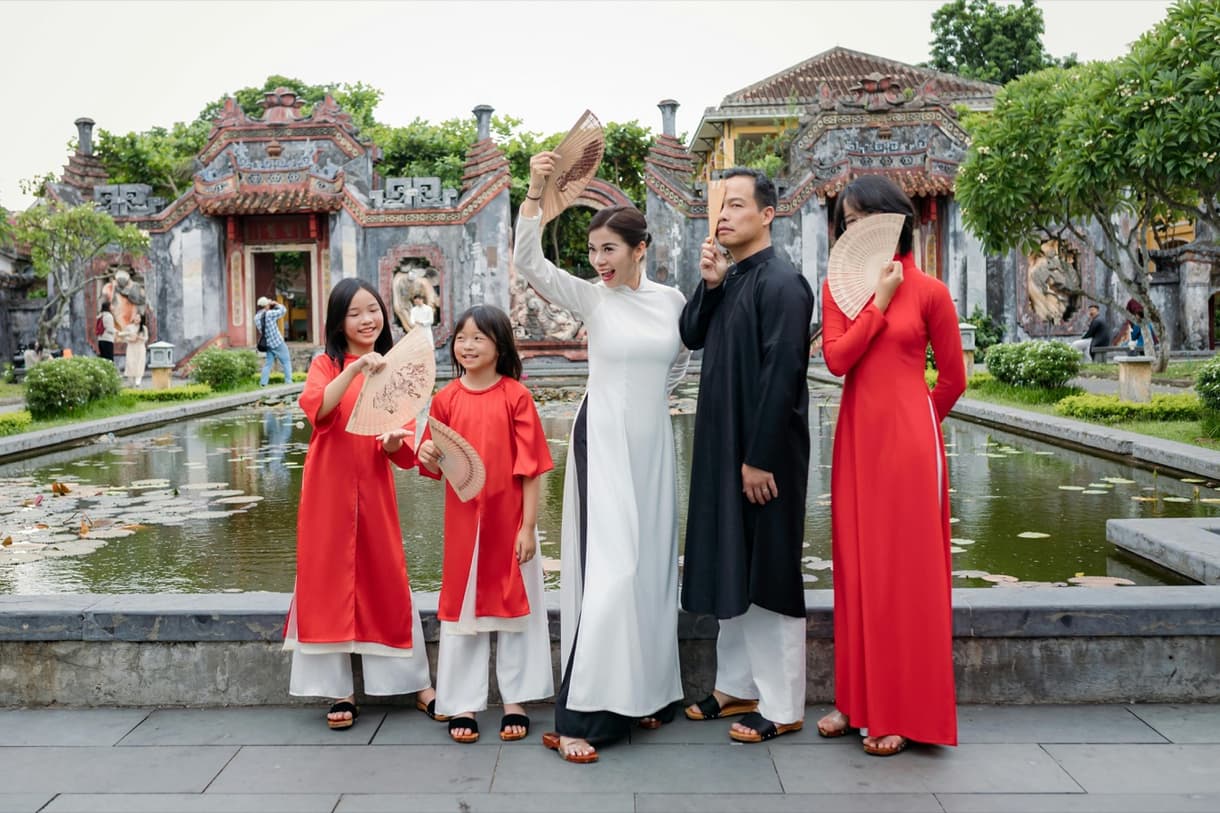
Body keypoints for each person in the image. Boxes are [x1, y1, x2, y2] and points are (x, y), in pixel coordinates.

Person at [517, 151, 690, 763]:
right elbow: (526, 262)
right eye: (592, 252)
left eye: (609, 249)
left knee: (649, 569)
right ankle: (582, 718)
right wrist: (537, 191)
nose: (598, 262)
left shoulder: (673, 302)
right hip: (606, 439)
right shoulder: (594, 299)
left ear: (639, 248)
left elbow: (683, 365)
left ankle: (645, 696)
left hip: (652, 445)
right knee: (612, 573)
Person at [819, 174, 966, 757]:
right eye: (846, 224)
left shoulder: (930, 291)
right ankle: (857, 703)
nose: (854, 231)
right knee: (857, 571)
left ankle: (902, 711)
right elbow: (836, 360)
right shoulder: (839, 292)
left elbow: (953, 378)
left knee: (905, 575)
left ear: (893, 220)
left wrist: (919, 421)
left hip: (908, 445)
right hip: (856, 438)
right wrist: (876, 305)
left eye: (863, 220)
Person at [679, 167, 814, 744]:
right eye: (720, 207)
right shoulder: (731, 279)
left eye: (737, 205)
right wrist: (709, 284)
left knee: (769, 572)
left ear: (768, 214)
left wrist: (760, 458)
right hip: (725, 449)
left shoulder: (783, 282)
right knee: (732, 565)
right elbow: (690, 335)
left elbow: (783, 376)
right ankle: (737, 685)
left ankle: (783, 705)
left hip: (764, 456)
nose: (725, 215)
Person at [283, 277, 442, 729]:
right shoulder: (325, 364)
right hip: (327, 489)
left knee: (387, 575)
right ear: (339, 322)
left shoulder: (400, 368)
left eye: (372, 309)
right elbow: (318, 410)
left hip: (373, 487)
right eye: (354, 313)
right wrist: (353, 370)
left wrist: (393, 443)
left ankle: (417, 685)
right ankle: (339, 692)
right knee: (325, 578)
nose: (367, 319)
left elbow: (405, 453)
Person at [417, 305, 554, 745]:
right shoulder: (446, 400)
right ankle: (462, 702)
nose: (468, 345)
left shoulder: (516, 396)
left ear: (500, 346)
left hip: (509, 519)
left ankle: (516, 700)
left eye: (479, 337)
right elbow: (435, 459)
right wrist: (425, 454)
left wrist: (528, 527)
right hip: (463, 525)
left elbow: (530, 468)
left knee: (516, 606)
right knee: (463, 609)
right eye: (461, 337)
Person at [256, 296, 294, 386]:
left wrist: (269, 305)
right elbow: (283, 310)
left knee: (268, 364)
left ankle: (263, 383)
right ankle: (288, 382)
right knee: (286, 361)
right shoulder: (269, 314)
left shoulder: (256, 317)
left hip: (268, 344)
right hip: (278, 342)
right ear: (266, 305)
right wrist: (276, 304)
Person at [120, 313, 148, 388]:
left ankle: (138, 380)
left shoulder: (144, 328)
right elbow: (124, 337)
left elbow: (146, 338)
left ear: (141, 319)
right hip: (131, 347)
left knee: (139, 363)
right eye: (136, 317)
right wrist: (130, 340)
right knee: (130, 362)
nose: (137, 319)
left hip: (140, 347)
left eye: (139, 318)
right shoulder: (129, 327)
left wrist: (139, 338)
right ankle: (130, 381)